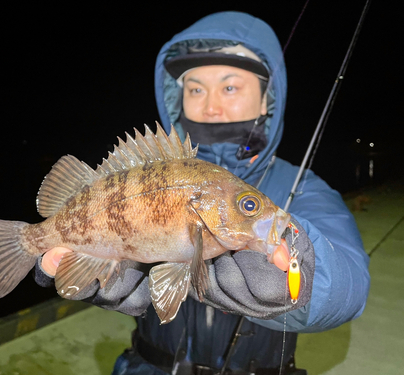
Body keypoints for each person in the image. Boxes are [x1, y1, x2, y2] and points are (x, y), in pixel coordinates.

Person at [34, 11, 370, 375]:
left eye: (230, 87)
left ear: (265, 101)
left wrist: (304, 277)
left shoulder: (304, 187)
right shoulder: (160, 166)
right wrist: (65, 262)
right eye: (195, 89)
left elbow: (348, 286)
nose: (210, 106)